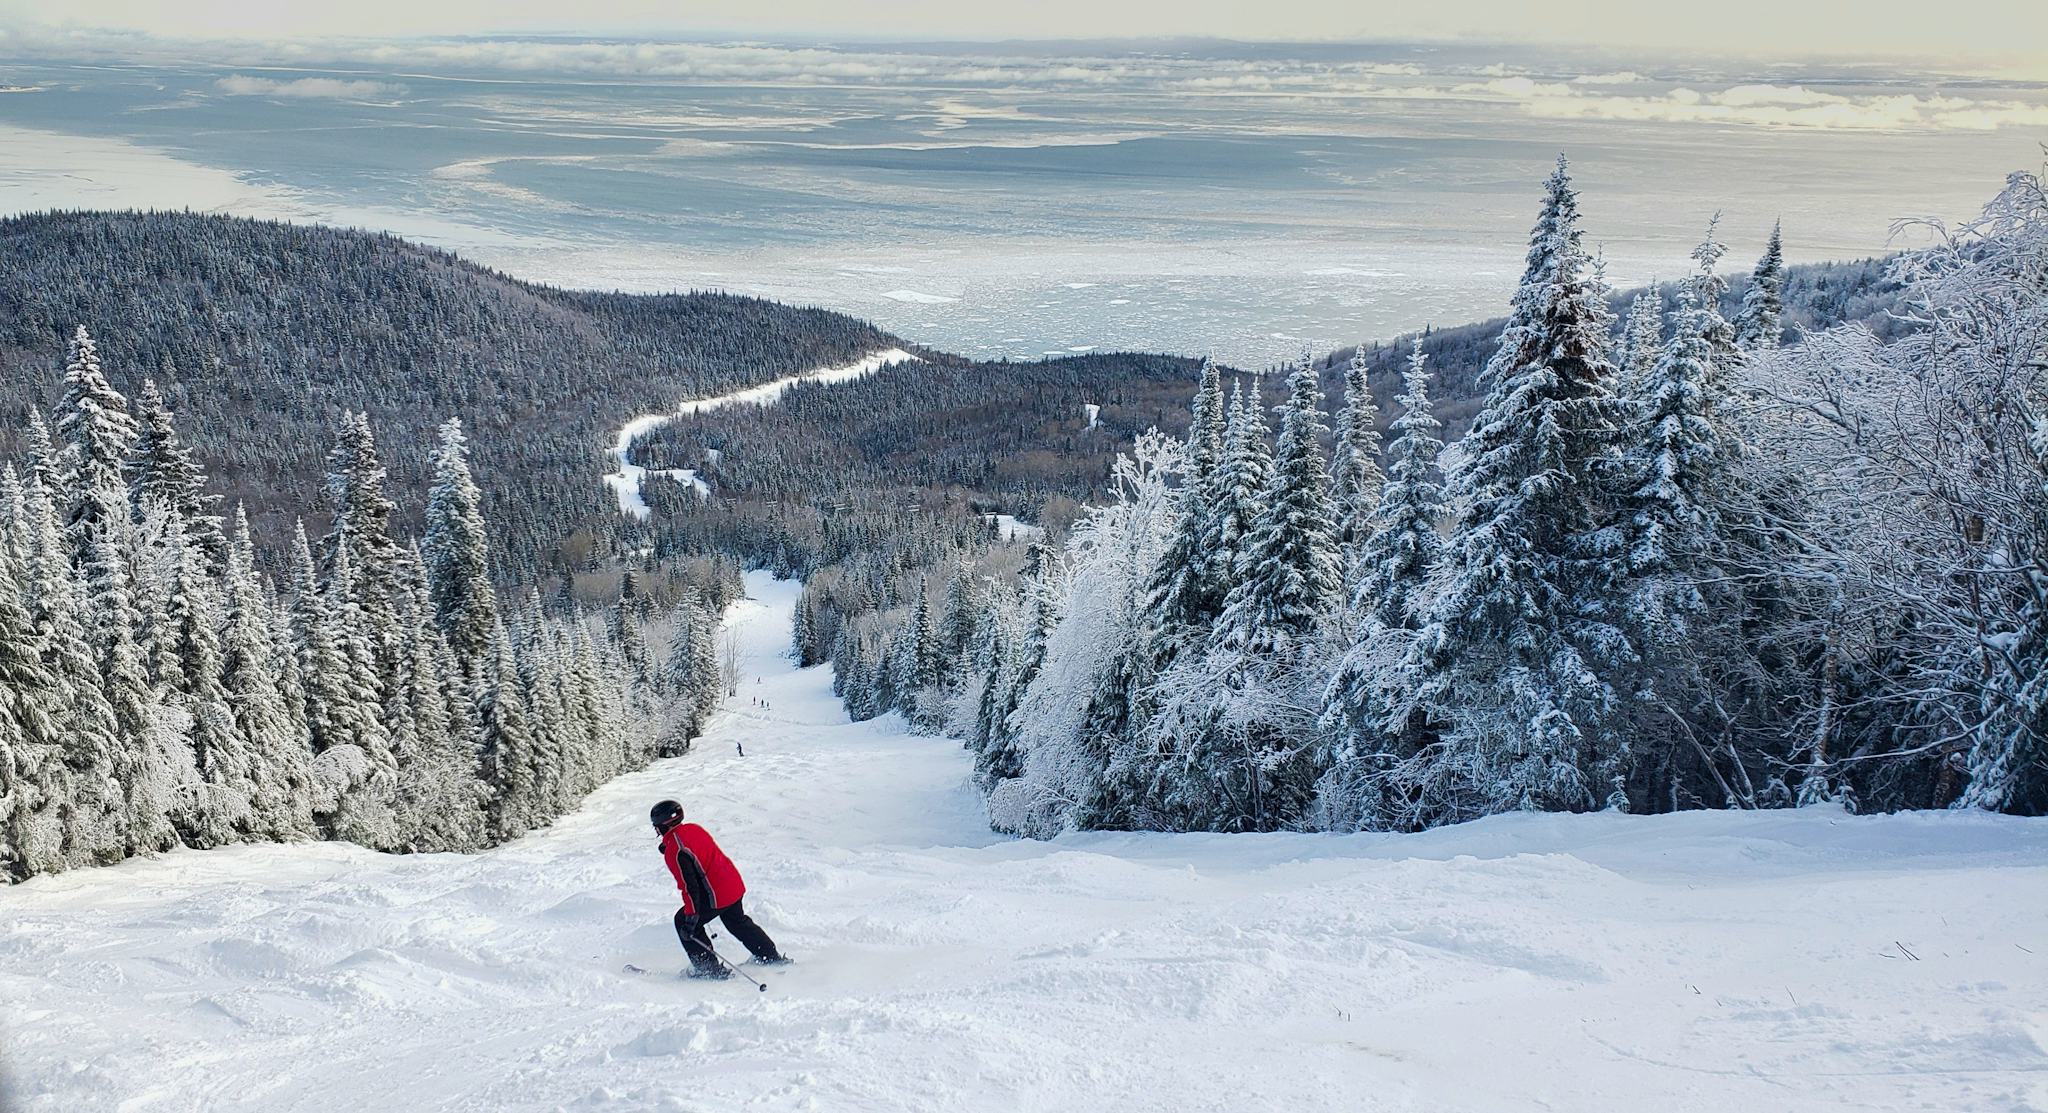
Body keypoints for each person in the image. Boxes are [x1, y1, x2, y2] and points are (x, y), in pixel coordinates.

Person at [650, 799, 786, 977]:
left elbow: (689, 887)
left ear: (663, 826)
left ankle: (710, 971)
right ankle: (769, 956)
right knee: (737, 922)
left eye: (656, 826)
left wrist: (691, 916)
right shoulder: (693, 829)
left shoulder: (675, 850)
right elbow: (694, 849)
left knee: (684, 922)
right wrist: (669, 845)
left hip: (717, 894)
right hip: (733, 885)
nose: (656, 830)